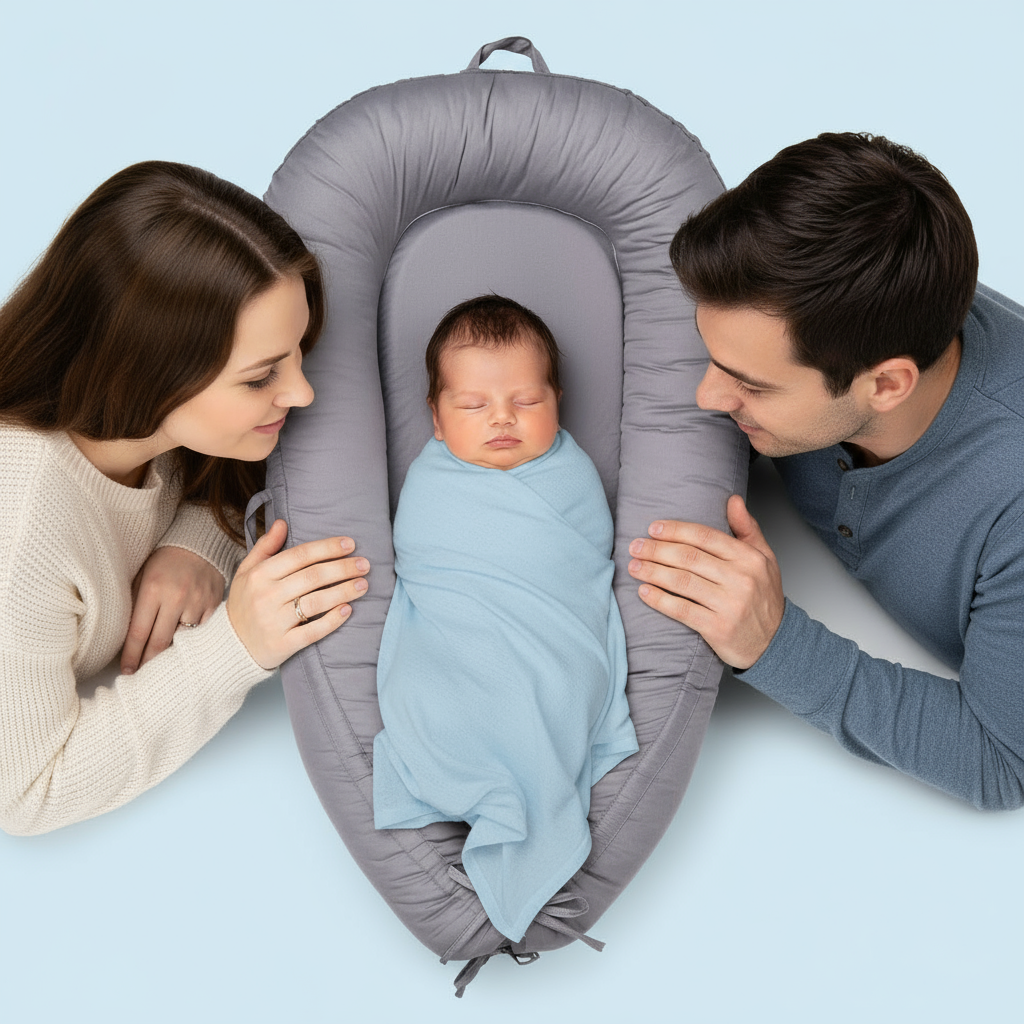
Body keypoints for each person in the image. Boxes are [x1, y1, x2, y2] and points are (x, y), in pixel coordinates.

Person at [627, 132, 1024, 810]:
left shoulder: (1009, 507)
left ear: (886, 386)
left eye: (751, 386)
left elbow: (1001, 760)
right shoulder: (843, 309)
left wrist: (774, 641)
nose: (709, 399)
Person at [0, 161, 371, 836]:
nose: (302, 393)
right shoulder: (22, 530)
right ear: (149, 369)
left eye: (299, 353)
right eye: (262, 378)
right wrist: (236, 645)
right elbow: (27, 792)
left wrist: (195, 542)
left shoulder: (139, 421)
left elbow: (204, 479)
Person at [372, 295, 638, 941]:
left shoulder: (569, 476)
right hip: (457, 631)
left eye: (527, 401)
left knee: (549, 688)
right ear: (436, 418)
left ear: (558, 401)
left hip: (551, 633)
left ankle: (523, 781)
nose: (502, 420)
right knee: (435, 694)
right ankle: (494, 781)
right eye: (472, 405)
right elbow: (425, 567)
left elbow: (579, 570)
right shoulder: (433, 483)